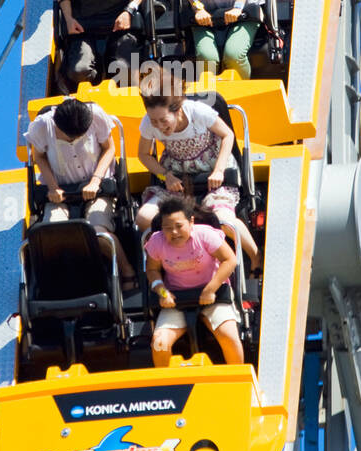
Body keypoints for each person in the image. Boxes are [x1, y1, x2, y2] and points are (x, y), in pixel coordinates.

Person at [135, 87, 259, 268]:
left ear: (177, 111)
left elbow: (227, 135)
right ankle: (173, 257)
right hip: (176, 176)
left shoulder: (197, 112)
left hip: (211, 172)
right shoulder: (149, 123)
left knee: (224, 220)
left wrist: (219, 169)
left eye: (163, 120)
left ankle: (256, 258)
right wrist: (165, 175)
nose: (159, 126)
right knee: (144, 218)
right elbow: (143, 154)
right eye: (154, 121)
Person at [25, 96, 137, 285]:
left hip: (97, 186)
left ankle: (126, 270)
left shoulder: (96, 116)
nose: (74, 140)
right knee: (52, 232)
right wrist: (53, 187)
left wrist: (95, 180)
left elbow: (109, 149)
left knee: (97, 230)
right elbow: (39, 157)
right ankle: (55, 284)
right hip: (59, 190)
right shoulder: (43, 126)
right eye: (70, 137)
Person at [144, 195, 244, 365]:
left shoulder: (204, 235)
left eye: (179, 226)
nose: (174, 232)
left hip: (213, 294)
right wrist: (162, 292)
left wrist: (210, 289)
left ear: (191, 222)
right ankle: (167, 387)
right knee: (160, 344)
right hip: (177, 298)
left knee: (229, 337)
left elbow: (230, 260)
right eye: (168, 228)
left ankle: (239, 380)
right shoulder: (156, 241)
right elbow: (152, 270)